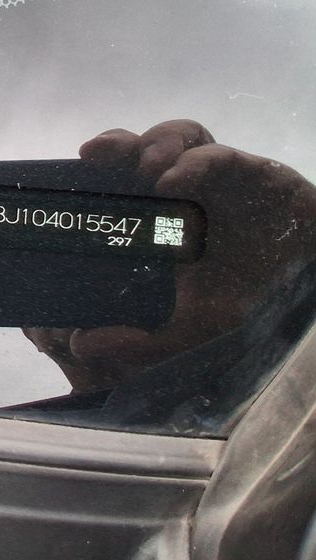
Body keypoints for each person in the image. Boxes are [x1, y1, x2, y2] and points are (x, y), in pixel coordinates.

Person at [21, 119, 316, 415]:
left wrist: (291, 295)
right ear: (22, 324)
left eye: (108, 255)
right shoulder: (18, 432)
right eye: (44, 269)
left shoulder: (270, 361)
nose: (84, 277)